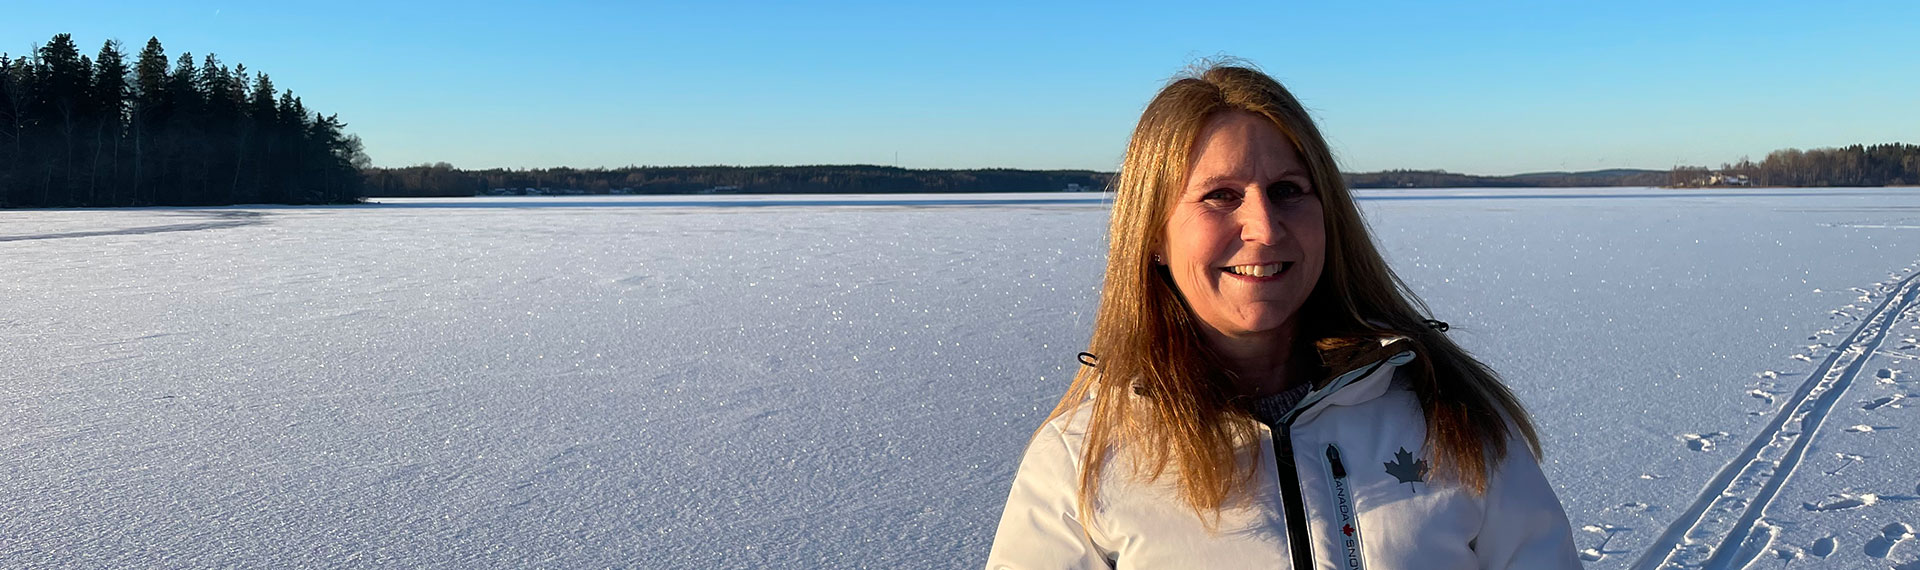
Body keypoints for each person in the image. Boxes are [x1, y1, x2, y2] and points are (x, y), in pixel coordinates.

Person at [985, 63, 1580, 569]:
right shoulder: (1084, 459)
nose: (1265, 228)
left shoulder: (1444, 408)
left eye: (1289, 190)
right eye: (1219, 195)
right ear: (1154, 236)